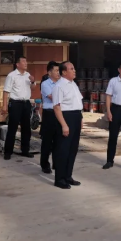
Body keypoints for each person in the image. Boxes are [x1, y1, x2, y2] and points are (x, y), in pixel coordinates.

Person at [52, 61, 83, 189]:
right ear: (64, 72)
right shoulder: (59, 86)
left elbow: (77, 102)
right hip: (66, 118)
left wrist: (80, 118)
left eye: (74, 68)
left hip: (76, 116)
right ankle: (59, 179)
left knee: (72, 149)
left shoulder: (73, 84)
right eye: (71, 69)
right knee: (63, 149)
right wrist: (64, 125)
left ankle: (68, 176)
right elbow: (57, 107)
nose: (74, 71)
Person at [2, 56, 36, 160]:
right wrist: (4, 106)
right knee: (13, 127)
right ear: (17, 64)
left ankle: (25, 150)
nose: (26, 63)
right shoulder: (12, 75)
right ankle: (8, 152)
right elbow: (6, 91)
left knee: (26, 128)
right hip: (15, 103)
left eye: (26, 61)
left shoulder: (28, 75)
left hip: (26, 103)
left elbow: (33, 88)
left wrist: (33, 81)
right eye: (23, 62)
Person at [40, 61, 60, 174]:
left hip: (59, 113)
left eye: (59, 70)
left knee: (58, 140)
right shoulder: (45, 84)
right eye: (56, 70)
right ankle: (44, 164)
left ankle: (56, 163)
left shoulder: (61, 83)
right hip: (49, 113)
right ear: (49, 72)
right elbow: (53, 97)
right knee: (47, 141)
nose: (58, 73)